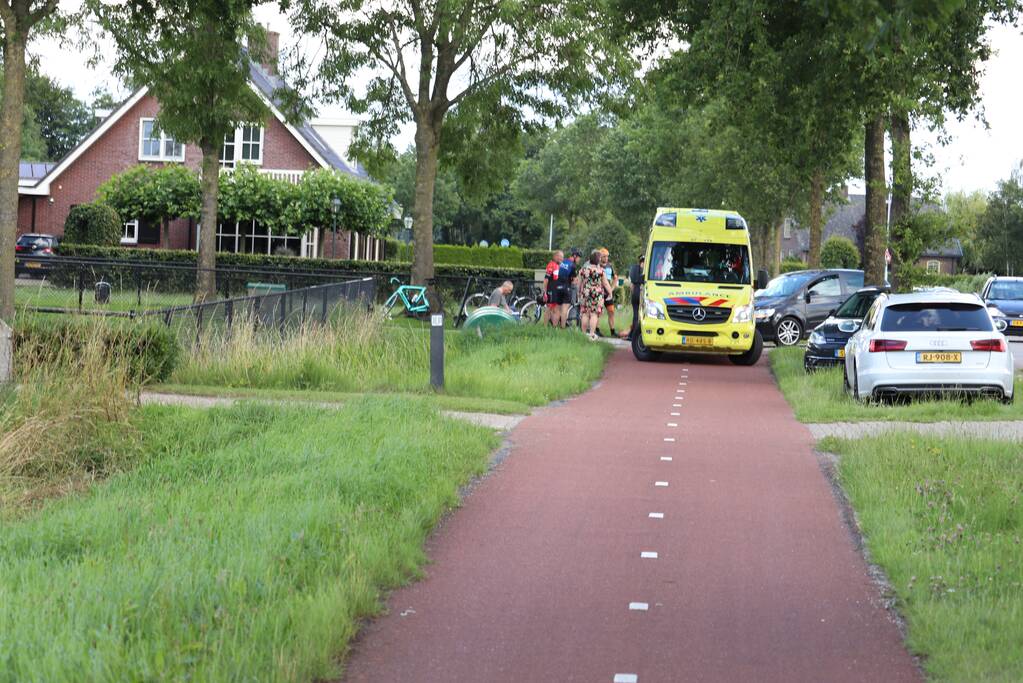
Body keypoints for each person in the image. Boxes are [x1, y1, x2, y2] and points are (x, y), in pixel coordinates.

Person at [578, 249, 612, 341]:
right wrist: (610, 293)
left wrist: (579, 293)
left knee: (585, 313)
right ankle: (592, 334)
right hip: (597, 294)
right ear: (598, 259)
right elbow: (605, 284)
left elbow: (579, 283)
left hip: (585, 293)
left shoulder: (583, 270)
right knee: (594, 314)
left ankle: (583, 334)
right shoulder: (600, 271)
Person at [557, 250, 582, 328]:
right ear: (574, 256)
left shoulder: (563, 262)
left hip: (557, 287)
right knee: (565, 308)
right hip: (566, 287)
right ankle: (563, 327)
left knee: (558, 308)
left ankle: (555, 326)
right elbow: (574, 281)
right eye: (579, 258)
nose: (579, 260)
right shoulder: (572, 265)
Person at [623, 254, 645, 340]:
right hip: (642, 292)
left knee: (635, 315)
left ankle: (632, 334)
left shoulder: (634, 269)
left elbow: (631, 285)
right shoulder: (648, 269)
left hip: (635, 291)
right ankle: (638, 335)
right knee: (642, 315)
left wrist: (634, 293)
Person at [599, 249, 618, 337]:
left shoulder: (610, 266)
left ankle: (613, 332)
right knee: (598, 312)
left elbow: (615, 278)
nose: (606, 258)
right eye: (604, 256)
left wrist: (612, 288)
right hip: (599, 292)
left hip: (608, 293)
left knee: (611, 311)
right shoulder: (597, 265)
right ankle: (597, 330)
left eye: (607, 256)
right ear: (600, 257)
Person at [542, 250, 564, 326]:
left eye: (562, 257)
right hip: (551, 290)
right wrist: (544, 291)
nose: (561, 259)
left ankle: (554, 327)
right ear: (555, 256)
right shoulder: (551, 265)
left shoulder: (560, 266)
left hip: (558, 291)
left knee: (556, 309)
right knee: (549, 309)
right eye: (560, 257)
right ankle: (544, 327)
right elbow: (546, 279)